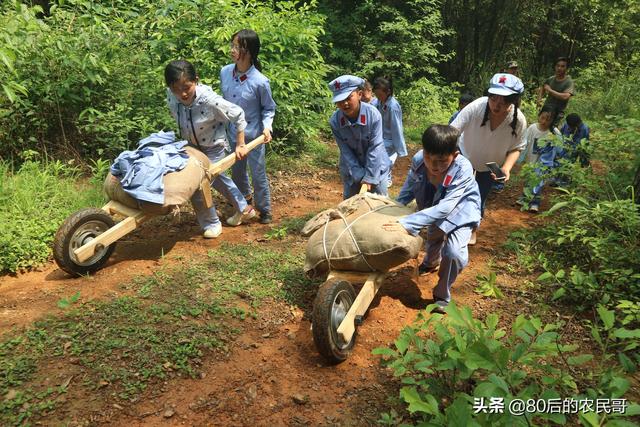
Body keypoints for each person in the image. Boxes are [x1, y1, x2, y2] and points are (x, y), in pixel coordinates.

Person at [383, 125, 481, 314]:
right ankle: (430, 262)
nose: (433, 165)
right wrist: (392, 210)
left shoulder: (463, 168)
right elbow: (409, 189)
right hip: (432, 205)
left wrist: (407, 222)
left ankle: (442, 295)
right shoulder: (419, 159)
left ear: (455, 154)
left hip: (461, 209)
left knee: (454, 254)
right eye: (429, 157)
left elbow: (446, 207)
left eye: (441, 161)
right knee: (434, 236)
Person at [165, 60, 256, 239]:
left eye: (187, 87)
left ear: (196, 81)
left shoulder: (209, 101)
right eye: (176, 88)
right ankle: (244, 208)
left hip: (214, 147)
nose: (182, 93)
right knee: (219, 180)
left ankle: (212, 223)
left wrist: (241, 144)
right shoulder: (170, 95)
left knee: (200, 183)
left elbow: (238, 114)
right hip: (192, 147)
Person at [450, 73, 527, 244]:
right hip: (464, 156)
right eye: (493, 98)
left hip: (489, 167)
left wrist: (506, 167)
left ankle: (472, 229)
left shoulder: (518, 120)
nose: (497, 105)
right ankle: (452, 226)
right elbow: (454, 130)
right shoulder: (476, 107)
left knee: (479, 197)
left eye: (504, 101)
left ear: (514, 100)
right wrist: (450, 154)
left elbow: (517, 148)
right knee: (457, 192)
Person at [220, 29, 277, 224]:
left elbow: (269, 108)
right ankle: (244, 201)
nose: (232, 50)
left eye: (237, 46)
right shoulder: (225, 72)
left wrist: (267, 127)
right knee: (237, 171)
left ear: (250, 51)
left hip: (253, 136)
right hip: (232, 134)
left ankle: (264, 209)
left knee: (257, 171)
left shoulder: (260, 82)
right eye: (232, 45)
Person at [328, 75, 391, 199]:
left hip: (377, 167)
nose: (344, 103)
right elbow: (345, 151)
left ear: (359, 94)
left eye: (349, 97)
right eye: (340, 100)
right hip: (352, 171)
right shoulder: (335, 121)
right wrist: (359, 175)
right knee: (350, 207)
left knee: (380, 206)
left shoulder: (373, 115)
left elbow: (375, 147)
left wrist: (369, 177)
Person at [517, 107, 563, 213]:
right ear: (539, 116)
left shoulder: (555, 132)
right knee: (529, 179)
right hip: (531, 159)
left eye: (548, 120)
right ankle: (524, 198)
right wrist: (520, 158)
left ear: (552, 121)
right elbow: (525, 142)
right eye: (542, 118)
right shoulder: (533, 128)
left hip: (544, 163)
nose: (544, 122)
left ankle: (534, 203)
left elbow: (560, 148)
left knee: (539, 181)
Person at [371, 77, 407, 187]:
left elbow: (397, 129)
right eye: (376, 95)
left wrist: (400, 148)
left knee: (383, 159)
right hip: (379, 135)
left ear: (388, 92)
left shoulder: (393, 106)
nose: (378, 98)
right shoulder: (378, 102)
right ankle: (382, 176)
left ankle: (385, 178)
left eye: (380, 95)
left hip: (389, 139)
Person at [538, 57, 575, 127]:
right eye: (558, 66)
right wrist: (539, 100)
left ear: (566, 68)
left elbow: (565, 96)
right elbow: (543, 87)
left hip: (558, 112)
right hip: (546, 109)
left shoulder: (569, 82)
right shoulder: (551, 79)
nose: (559, 68)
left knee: (551, 131)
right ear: (555, 67)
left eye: (562, 66)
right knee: (540, 127)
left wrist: (550, 90)